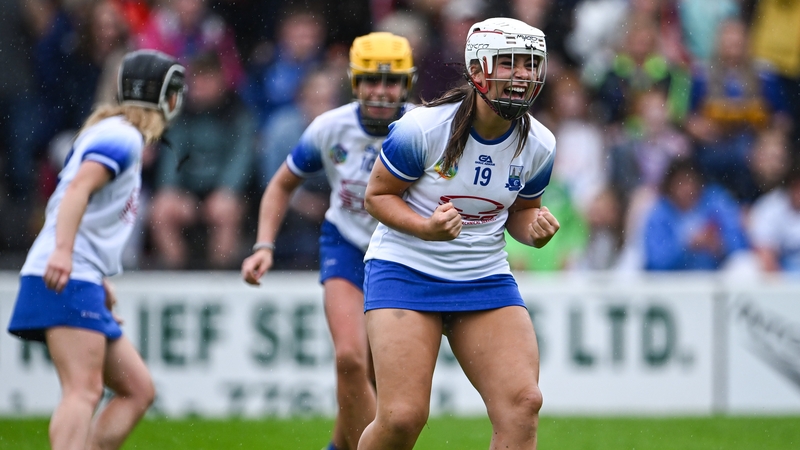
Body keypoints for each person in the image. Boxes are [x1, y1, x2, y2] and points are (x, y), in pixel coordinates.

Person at [360, 17, 558, 449]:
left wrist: (535, 229)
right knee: (401, 419)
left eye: (530, 65)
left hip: (483, 278)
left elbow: (522, 212)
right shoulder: (422, 129)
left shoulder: (540, 144)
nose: (523, 75)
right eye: (510, 63)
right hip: (405, 272)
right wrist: (426, 228)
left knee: (523, 403)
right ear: (478, 69)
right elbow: (376, 197)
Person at [240, 32, 417, 450]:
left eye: (391, 82)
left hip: (401, 255)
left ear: (406, 85)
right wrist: (264, 244)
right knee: (350, 360)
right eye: (371, 80)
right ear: (354, 82)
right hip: (346, 245)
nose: (380, 91)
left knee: (372, 376)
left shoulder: (422, 129)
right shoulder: (329, 127)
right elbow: (282, 185)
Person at [6, 49, 185, 450]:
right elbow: (77, 191)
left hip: (80, 275)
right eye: (174, 92)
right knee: (83, 391)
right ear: (161, 96)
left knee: (137, 390)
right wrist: (64, 253)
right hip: (66, 274)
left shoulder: (112, 132)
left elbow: (90, 210)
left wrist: (97, 276)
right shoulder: (123, 138)